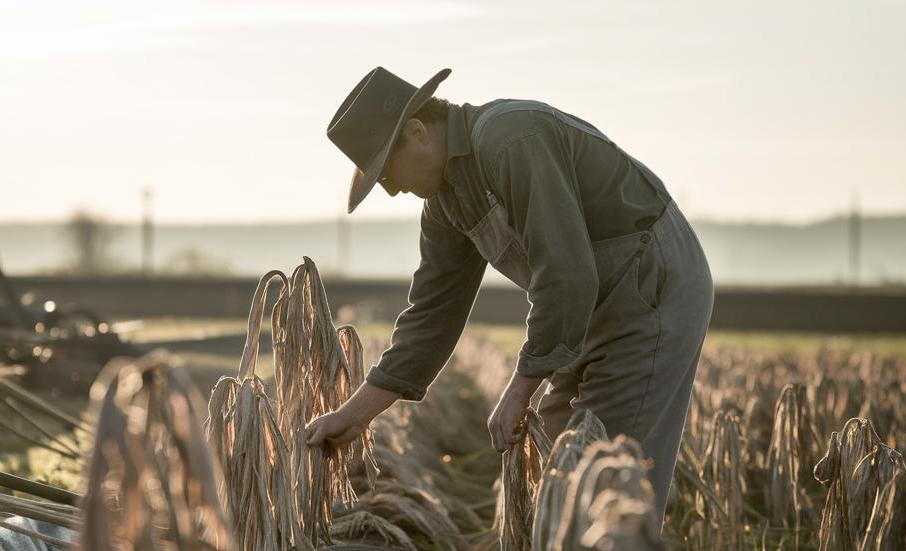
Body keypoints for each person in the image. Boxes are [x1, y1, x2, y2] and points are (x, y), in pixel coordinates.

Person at [305, 67, 714, 523]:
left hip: (650, 289)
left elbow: (565, 272)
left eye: (386, 171)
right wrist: (355, 415)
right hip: (590, 308)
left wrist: (521, 387)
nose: (393, 188)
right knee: (559, 468)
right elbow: (431, 316)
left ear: (417, 132)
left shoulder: (511, 140)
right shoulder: (444, 203)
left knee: (603, 485)